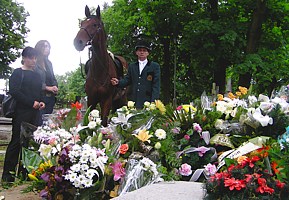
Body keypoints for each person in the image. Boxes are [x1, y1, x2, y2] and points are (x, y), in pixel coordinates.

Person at [2, 47, 45, 182]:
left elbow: (39, 92)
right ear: (24, 58)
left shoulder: (38, 75)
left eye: (34, 58)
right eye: (30, 58)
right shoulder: (17, 73)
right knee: (16, 141)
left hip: (34, 113)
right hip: (21, 112)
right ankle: (8, 173)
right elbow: (14, 91)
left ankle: (26, 171)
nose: (33, 60)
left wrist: (41, 102)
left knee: (30, 143)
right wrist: (30, 102)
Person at [111, 40, 161, 108]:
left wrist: (153, 102)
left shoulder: (154, 66)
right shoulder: (132, 66)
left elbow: (156, 86)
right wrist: (118, 82)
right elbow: (127, 80)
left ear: (148, 53)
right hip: (134, 100)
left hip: (148, 102)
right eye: (140, 50)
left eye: (144, 50)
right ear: (136, 52)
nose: (142, 52)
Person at [34, 40, 58, 123]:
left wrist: (55, 87)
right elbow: (33, 81)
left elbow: (53, 78)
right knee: (39, 122)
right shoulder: (34, 62)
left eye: (48, 46)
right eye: (44, 46)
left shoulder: (49, 63)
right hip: (39, 97)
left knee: (47, 122)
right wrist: (47, 88)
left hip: (50, 98)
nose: (47, 48)